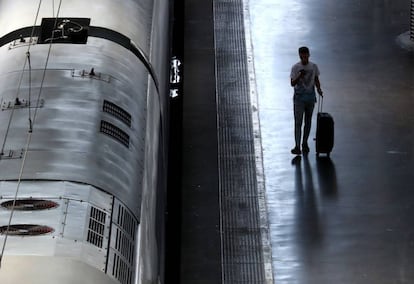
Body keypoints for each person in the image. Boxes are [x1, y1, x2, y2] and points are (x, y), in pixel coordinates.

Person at [290, 46, 323, 155]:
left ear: (308, 55)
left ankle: (304, 143)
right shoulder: (295, 68)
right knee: (298, 122)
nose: (304, 57)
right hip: (299, 99)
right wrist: (300, 75)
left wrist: (318, 89)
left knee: (308, 121)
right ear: (300, 56)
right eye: (302, 55)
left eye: (305, 55)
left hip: (310, 98)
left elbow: (316, 79)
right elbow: (292, 83)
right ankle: (297, 145)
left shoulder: (313, 67)